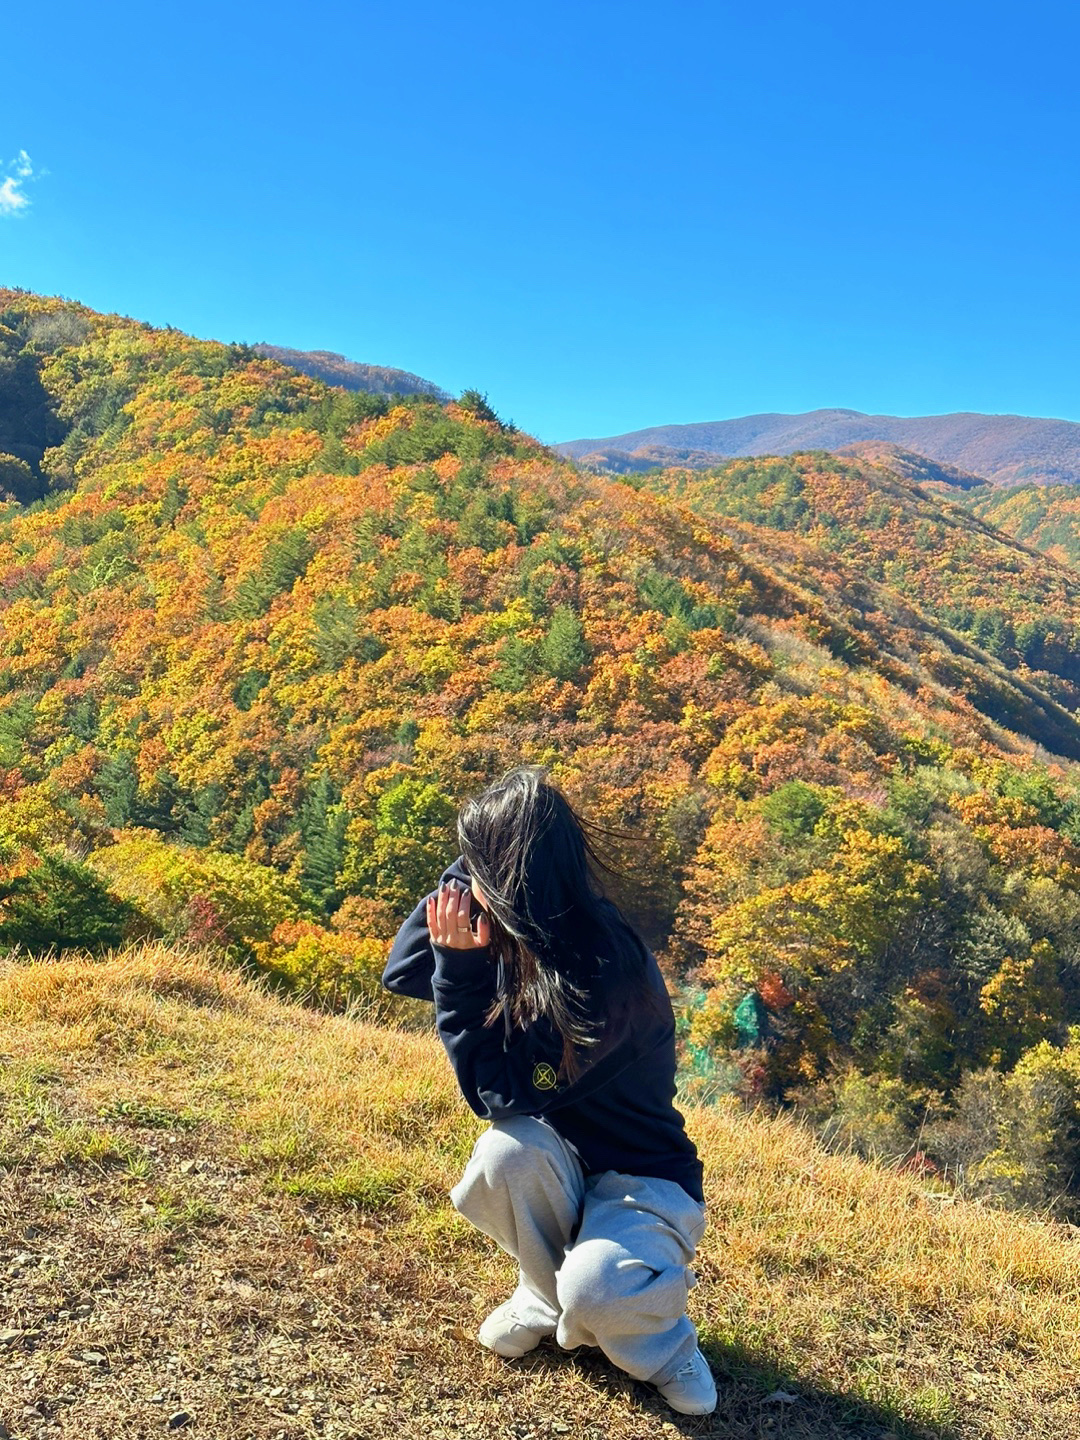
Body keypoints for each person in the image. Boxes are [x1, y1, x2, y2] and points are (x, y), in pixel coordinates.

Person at [381, 764, 717, 1417]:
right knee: (506, 1155)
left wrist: (461, 971)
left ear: (513, 883)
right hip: (559, 1162)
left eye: (481, 869)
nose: (463, 883)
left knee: (598, 1289)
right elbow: (403, 969)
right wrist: (470, 871)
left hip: (642, 1179)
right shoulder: (532, 929)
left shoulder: (601, 978)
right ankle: (542, 1292)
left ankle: (666, 1343)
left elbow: (497, 1094)